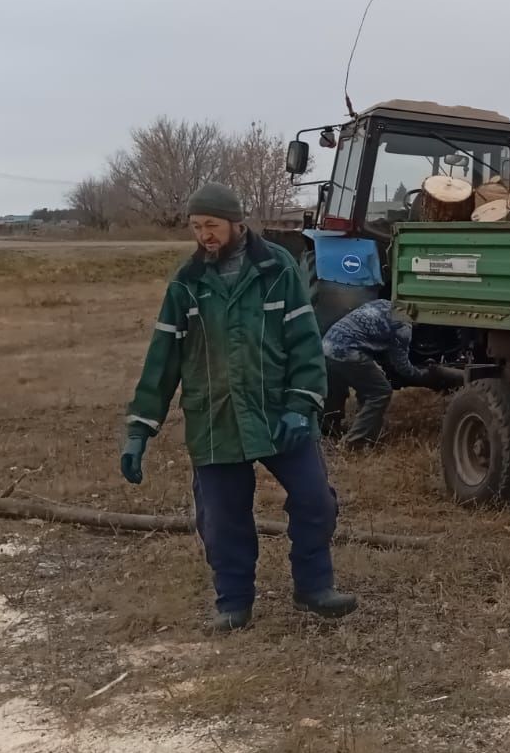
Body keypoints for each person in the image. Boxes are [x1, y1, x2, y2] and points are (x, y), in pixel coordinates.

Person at [118, 182, 358, 632]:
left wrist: (301, 403)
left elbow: (305, 343)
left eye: (211, 225)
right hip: (216, 417)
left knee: (315, 500)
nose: (204, 235)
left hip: (278, 414)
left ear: (236, 223)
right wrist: (138, 431)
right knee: (222, 516)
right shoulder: (187, 285)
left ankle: (314, 587)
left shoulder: (277, 269)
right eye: (196, 227)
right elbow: (161, 361)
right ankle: (233, 602)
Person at [322, 299, 422, 448]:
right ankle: (354, 443)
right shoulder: (403, 326)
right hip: (347, 352)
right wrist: (424, 374)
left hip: (327, 346)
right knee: (380, 391)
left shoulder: (382, 303)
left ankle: (328, 431)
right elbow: (403, 367)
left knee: (337, 388)